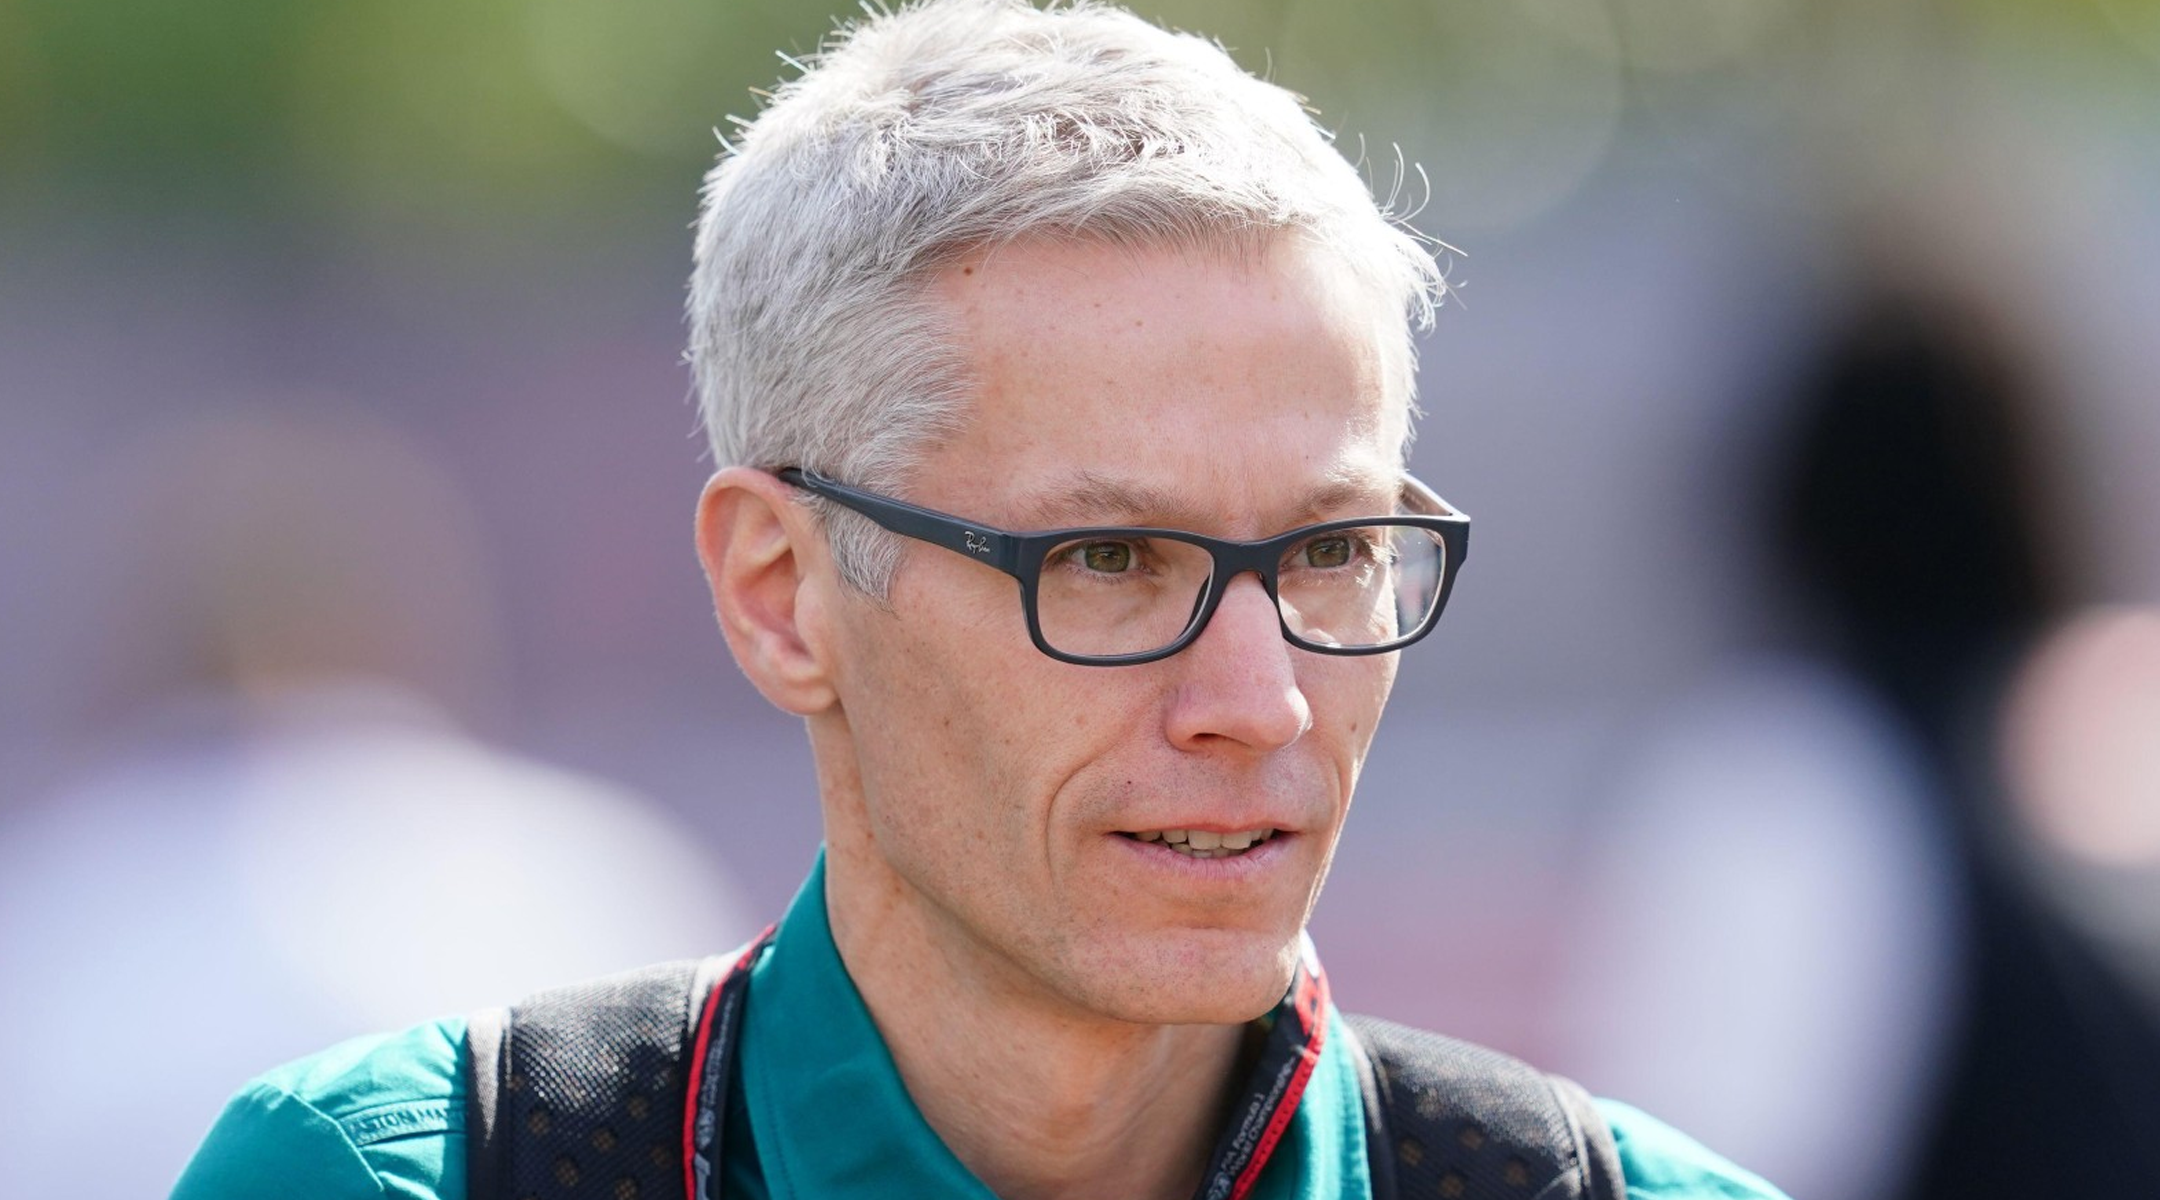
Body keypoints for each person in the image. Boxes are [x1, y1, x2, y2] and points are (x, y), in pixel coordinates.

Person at [172, 2, 1789, 1197]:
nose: (1264, 699)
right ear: (782, 593)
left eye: (1328, 552)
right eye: (1109, 562)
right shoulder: (398, 1176)